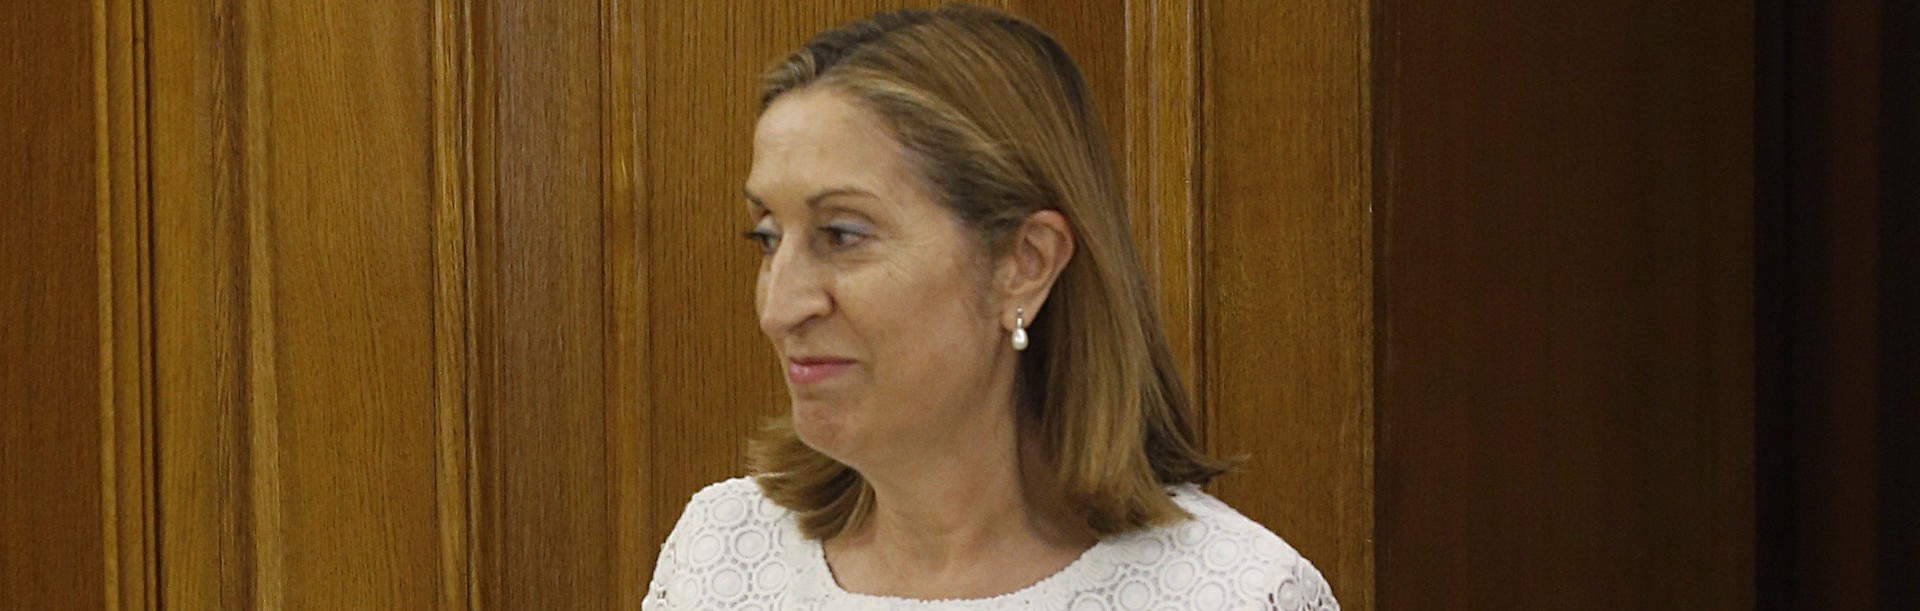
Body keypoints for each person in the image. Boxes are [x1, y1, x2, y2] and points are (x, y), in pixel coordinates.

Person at [644, 5, 1337, 609]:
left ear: (1024, 263)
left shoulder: (1231, 591)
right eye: (768, 237)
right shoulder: (721, 556)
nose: (780, 307)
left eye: (842, 234)